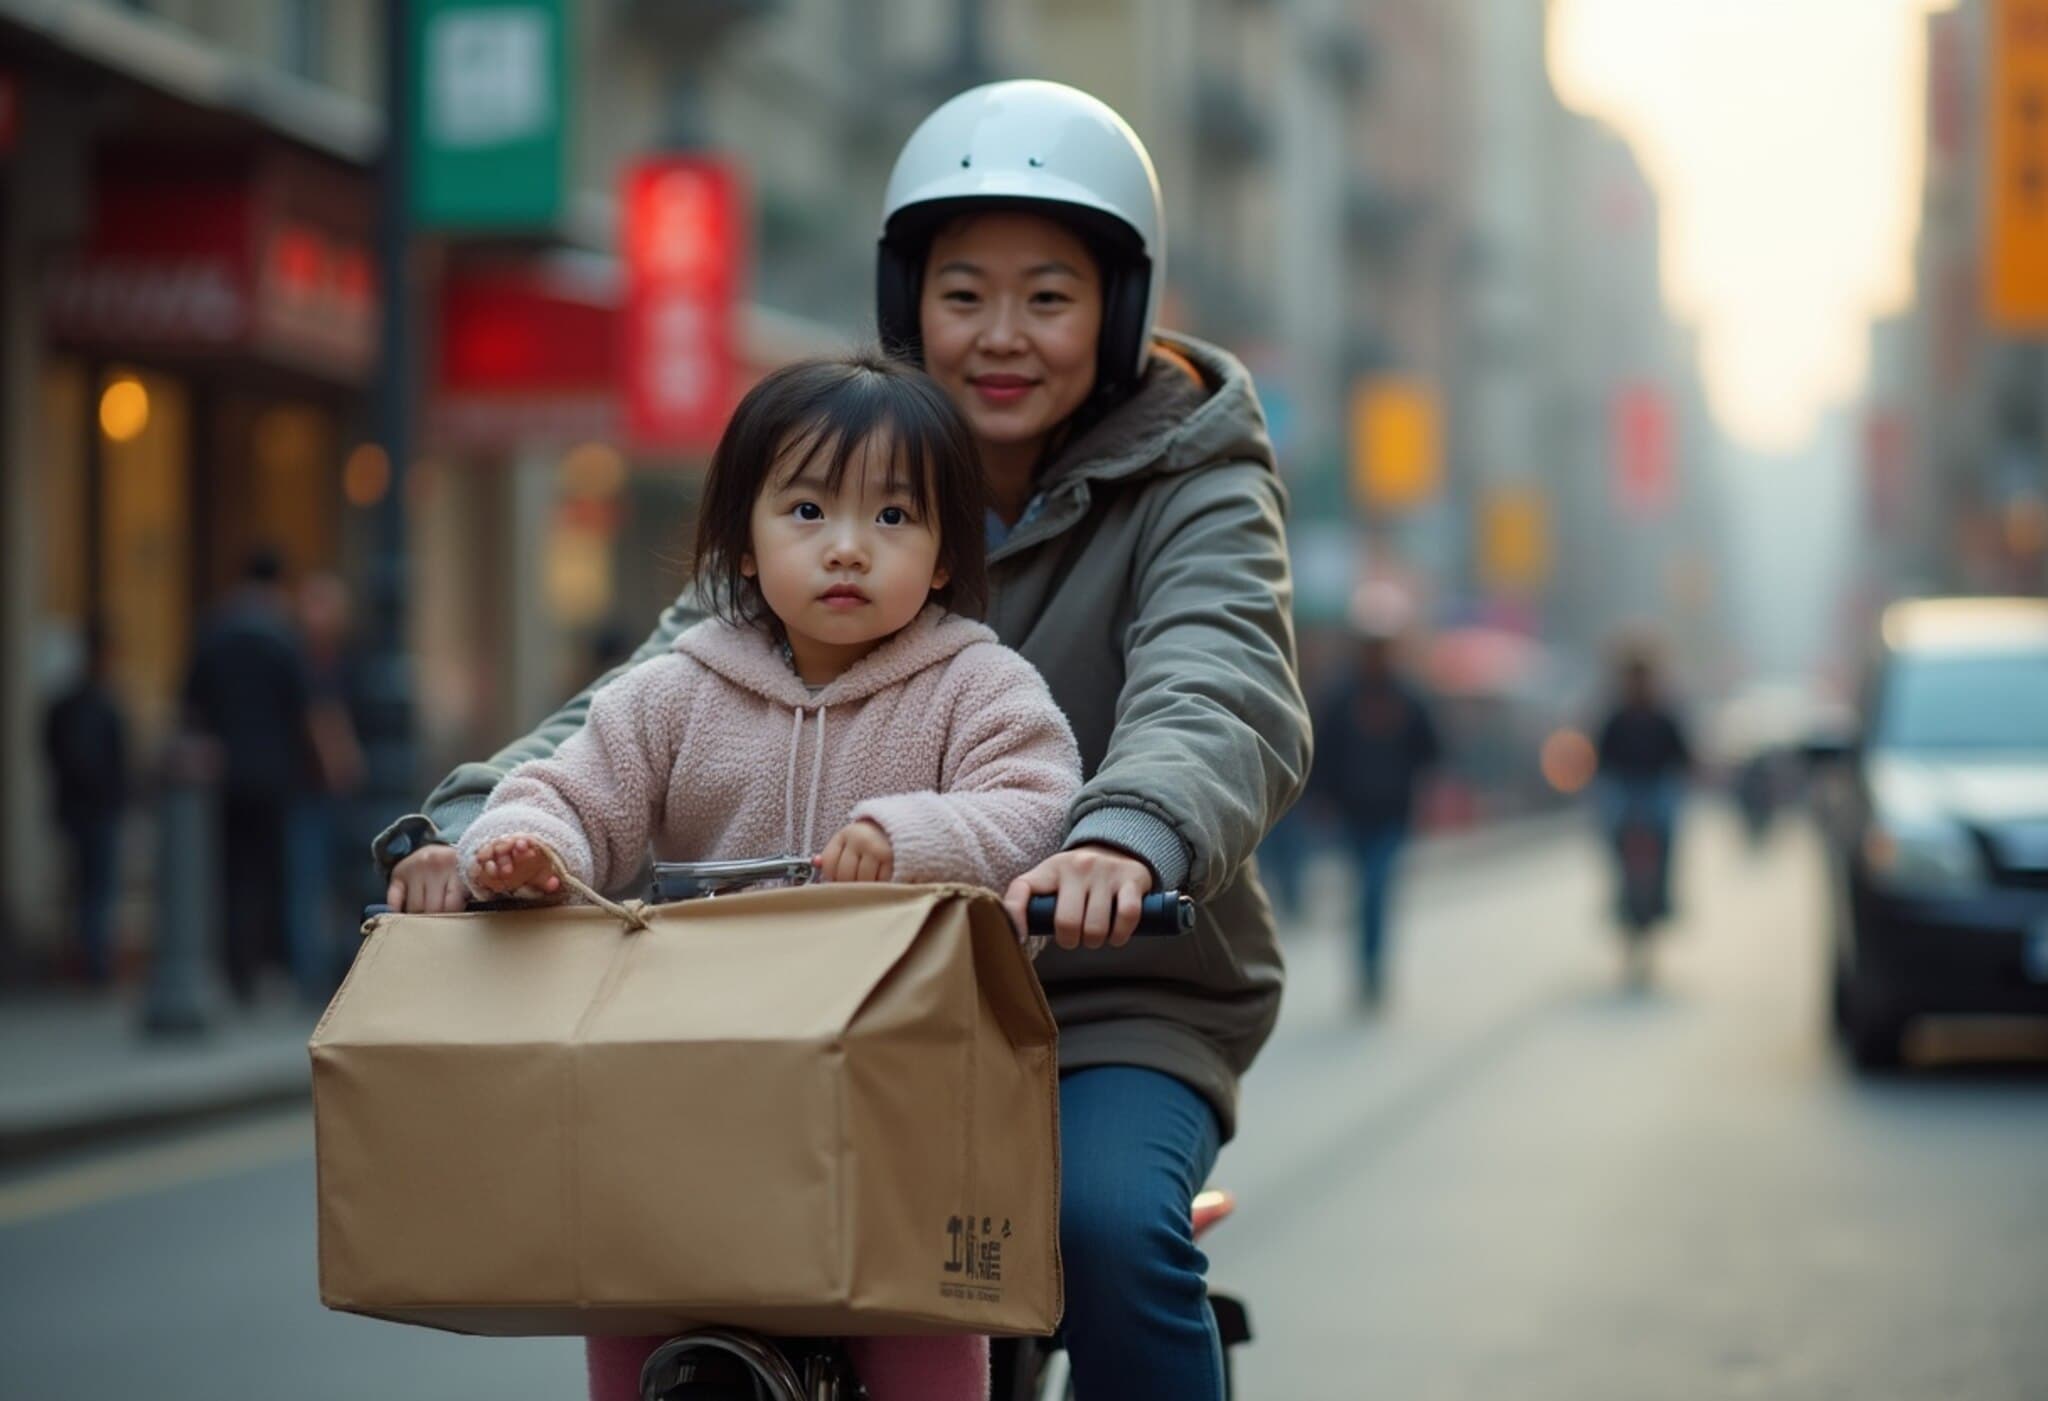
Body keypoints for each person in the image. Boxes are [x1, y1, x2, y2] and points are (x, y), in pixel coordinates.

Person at [378, 81, 1311, 1401]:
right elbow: (644, 695)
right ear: (904, 300)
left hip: (1103, 992)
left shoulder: (1198, 474)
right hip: (812, 997)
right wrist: (473, 823)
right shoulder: (839, 465)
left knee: (1106, 1230)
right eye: (962, 293)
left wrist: (1124, 833)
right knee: (643, 1245)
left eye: (1048, 296)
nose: (1001, 335)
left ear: (1120, 308)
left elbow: (1216, 682)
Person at [463, 353, 1083, 1401]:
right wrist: (527, 852)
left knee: (918, 1322)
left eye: (893, 518)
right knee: (632, 1278)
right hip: (702, 1082)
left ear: (943, 555)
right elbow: (569, 789)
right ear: (742, 548)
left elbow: (1037, 807)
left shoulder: (977, 685)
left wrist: (910, 834)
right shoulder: (673, 693)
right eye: (805, 509)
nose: (847, 547)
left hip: (906, 1086)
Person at [183, 546, 317, 1006]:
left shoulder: (216, 630)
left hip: (224, 774)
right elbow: (307, 710)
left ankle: (234, 968)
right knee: (271, 875)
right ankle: (265, 967)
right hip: (275, 774)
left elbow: (191, 699)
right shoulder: (282, 637)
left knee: (230, 873)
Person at [1308, 628, 1441, 1008]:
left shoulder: (1409, 697)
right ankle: (1365, 966)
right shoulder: (1342, 697)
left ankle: (1374, 968)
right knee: (1364, 890)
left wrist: (1430, 796)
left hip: (1394, 812)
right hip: (1353, 812)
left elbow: (1429, 750)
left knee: (1377, 887)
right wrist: (1320, 797)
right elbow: (1322, 751)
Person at [42, 624, 129, 985]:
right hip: (97, 809)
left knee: (81, 889)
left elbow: (48, 748)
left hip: (75, 808)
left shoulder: (65, 704)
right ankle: (93, 966)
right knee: (97, 890)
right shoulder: (103, 705)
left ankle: (85, 960)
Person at [1593, 648, 1693, 928]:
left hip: (1656, 787)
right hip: (1624, 788)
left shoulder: (1664, 717)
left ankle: (1663, 893)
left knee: (1668, 828)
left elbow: (1682, 755)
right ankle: (1622, 892)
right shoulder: (1615, 717)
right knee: (1609, 826)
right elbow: (1601, 758)